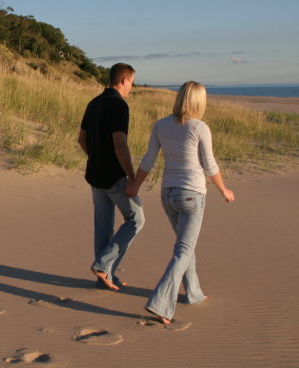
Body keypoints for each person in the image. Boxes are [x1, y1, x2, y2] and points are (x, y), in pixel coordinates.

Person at [125, 81, 235, 324]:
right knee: (184, 249)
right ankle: (162, 303)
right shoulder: (200, 127)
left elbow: (148, 160)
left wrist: (135, 186)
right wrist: (224, 189)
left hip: (168, 194)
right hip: (192, 195)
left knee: (186, 246)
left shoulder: (161, 125)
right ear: (199, 101)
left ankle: (193, 293)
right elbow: (210, 165)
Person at [78, 63, 145, 291]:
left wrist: (95, 157)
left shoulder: (94, 103)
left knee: (103, 227)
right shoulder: (118, 105)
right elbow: (120, 143)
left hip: (95, 174)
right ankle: (103, 265)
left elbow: (82, 139)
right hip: (114, 177)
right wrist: (131, 175)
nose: (132, 86)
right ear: (124, 80)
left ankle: (104, 278)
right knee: (137, 219)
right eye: (132, 81)